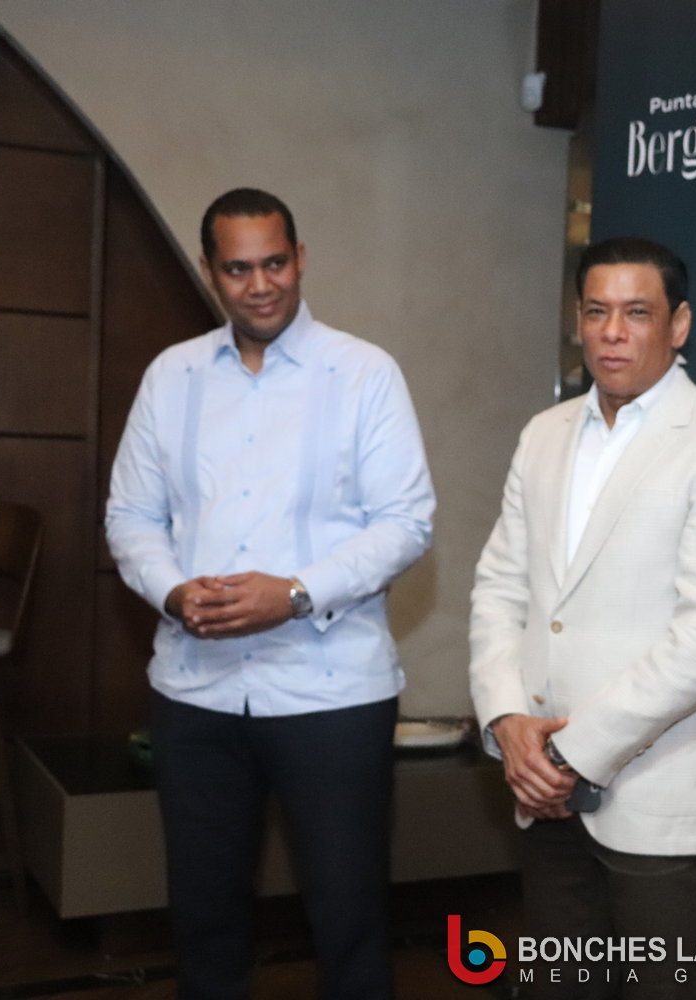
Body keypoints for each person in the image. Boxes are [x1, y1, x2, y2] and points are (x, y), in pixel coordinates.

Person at [106, 188, 434, 1000]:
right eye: (239, 269)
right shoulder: (171, 376)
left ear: (301, 258)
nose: (261, 285)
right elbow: (131, 516)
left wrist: (293, 593)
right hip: (197, 692)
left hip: (332, 693)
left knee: (348, 919)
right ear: (210, 271)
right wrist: (173, 592)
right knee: (204, 920)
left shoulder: (364, 373)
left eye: (276, 263)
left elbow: (406, 523)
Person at [469, 237, 696, 998]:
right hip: (542, 798)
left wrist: (569, 753)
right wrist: (508, 722)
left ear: (678, 325)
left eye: (637, 313)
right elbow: (500, 589)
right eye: (596, 311)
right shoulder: (543, 435)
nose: (612, 332)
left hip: (660, 803)